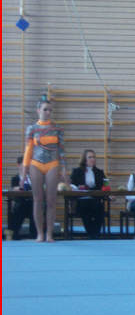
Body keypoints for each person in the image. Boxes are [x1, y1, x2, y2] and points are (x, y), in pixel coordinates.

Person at [22, 99, 66, 242]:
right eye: (45, 109)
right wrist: (24, 171)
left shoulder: (57, 129)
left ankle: (49, 234)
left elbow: (61, 150)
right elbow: (28, 150)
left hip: (52, 163)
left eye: (50, 110)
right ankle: (40, 233)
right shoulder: (32, 128)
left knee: (51, 200)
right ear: (38, 110)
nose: (48, 112)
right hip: (36, 164)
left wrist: (64, 169)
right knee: (38, 200)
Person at [70, 149, 106, 239]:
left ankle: (95, 233)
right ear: (84, 159)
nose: (92, 159)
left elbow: (104, 186)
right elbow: (71, 185)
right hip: (81, 199)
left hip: (95, 199)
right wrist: (78, 187)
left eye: (94, 157)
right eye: (90, 157)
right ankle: (91, 233)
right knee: (85, 207)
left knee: (100, 208)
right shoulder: (77, 171)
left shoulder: (99, 172)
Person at [8, 156, 36, 240]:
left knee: (37, 209)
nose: (25, 167)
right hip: (21, 203)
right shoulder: (15, 178)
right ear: (18, 165)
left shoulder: (33, 178)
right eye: (23, 165)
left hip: (32, 203)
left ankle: (34, 234)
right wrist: (20, 187)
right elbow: (14, 188)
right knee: (17, 211)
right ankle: (14, 234)